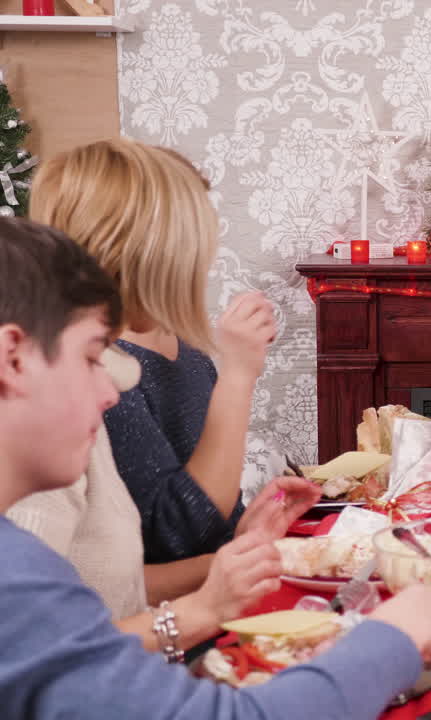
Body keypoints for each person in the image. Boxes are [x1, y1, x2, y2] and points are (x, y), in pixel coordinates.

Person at [0, 217, 431, 719]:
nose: (108, 393)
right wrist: (398, 636)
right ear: (12, 359)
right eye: (91, 357)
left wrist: (217, 587)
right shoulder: (16, 577)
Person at [30, 138, 271, 572]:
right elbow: (174, 534)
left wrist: (251, 530)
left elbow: (213, 518)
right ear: (151, 254)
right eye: (195, 243)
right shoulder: (97, 375)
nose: (207, 259)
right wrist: (238, 376)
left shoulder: (187, 351)